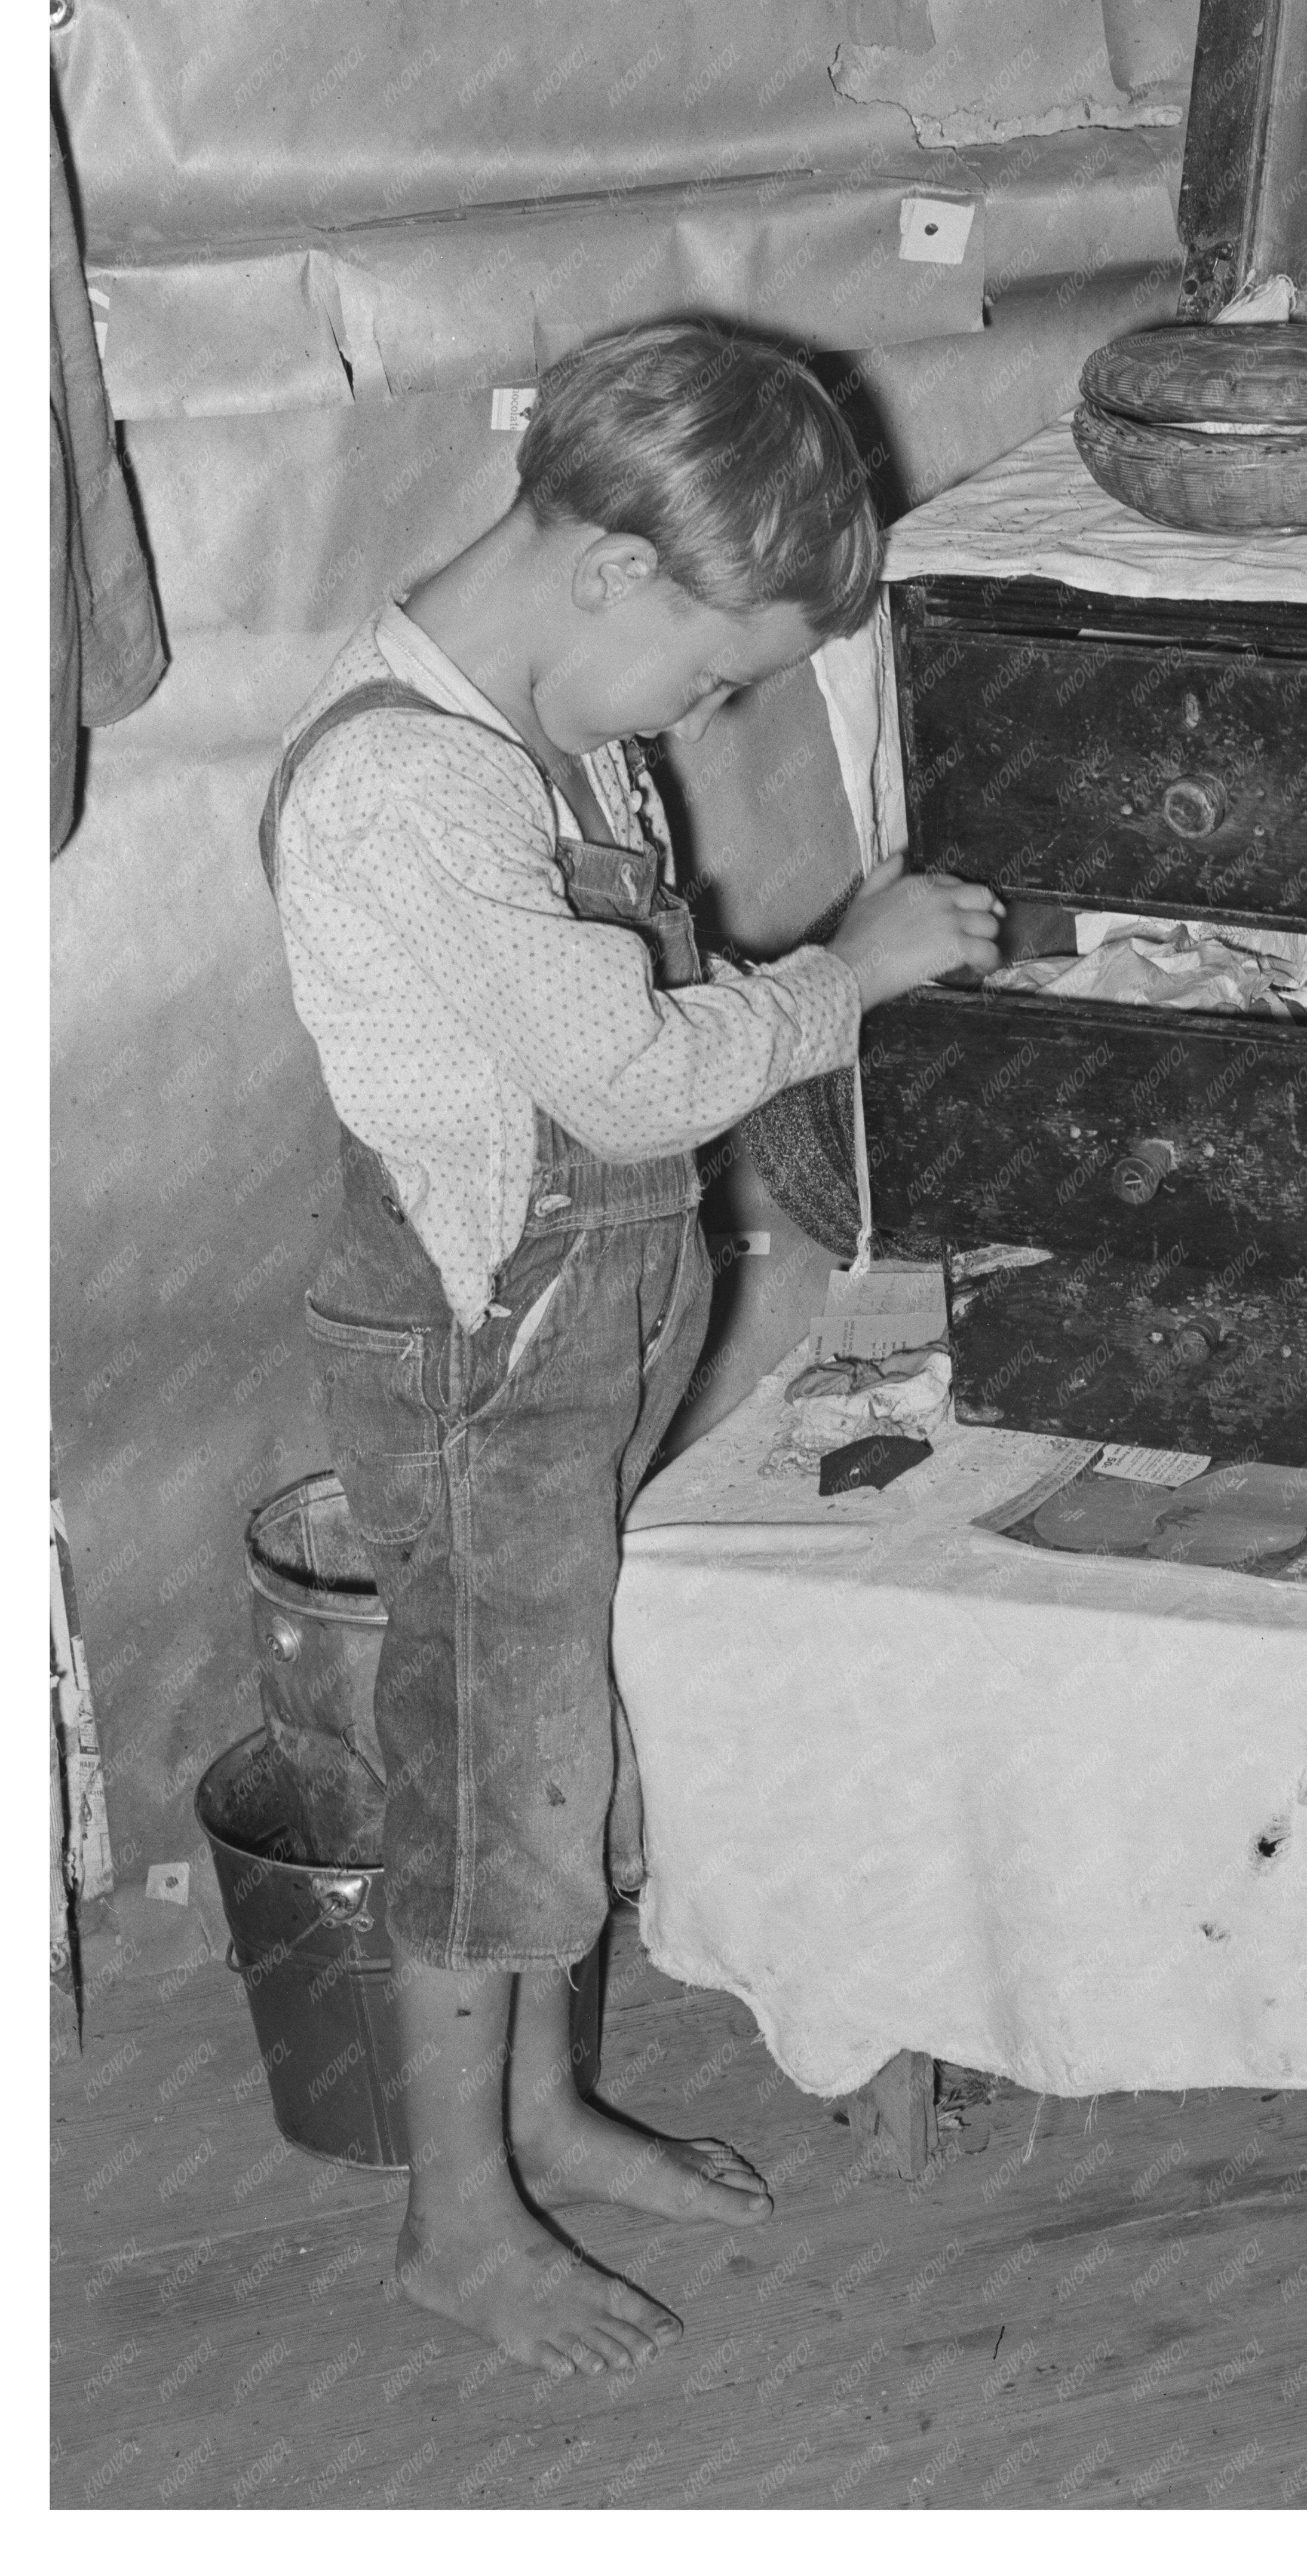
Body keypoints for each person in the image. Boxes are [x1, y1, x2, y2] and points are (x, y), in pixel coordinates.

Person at [261, 321, 998, 2378]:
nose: (713, 710)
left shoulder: (542, 722)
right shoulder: (410, 787)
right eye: (717, 674)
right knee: (493, 1777)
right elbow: (625, 1073)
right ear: (611, 568)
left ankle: (546, 2113)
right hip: (487, 1352)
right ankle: (454, 2218)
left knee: (551, 1732)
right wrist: (844, 977)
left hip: (590, 1328)